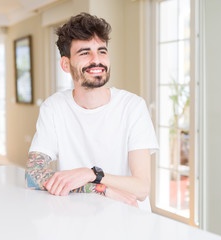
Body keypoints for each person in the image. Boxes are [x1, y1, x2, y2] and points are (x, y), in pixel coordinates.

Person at [25, 12, 158, 211]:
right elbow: (33, 175)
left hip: (129, 220)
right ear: (65, 64)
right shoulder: (53, 108)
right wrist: (101, 189)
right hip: (78, 217)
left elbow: (141, 188)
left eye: (102, 51)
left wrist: (92, 174)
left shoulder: (133, 106)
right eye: (85, 52)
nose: (97, 60)